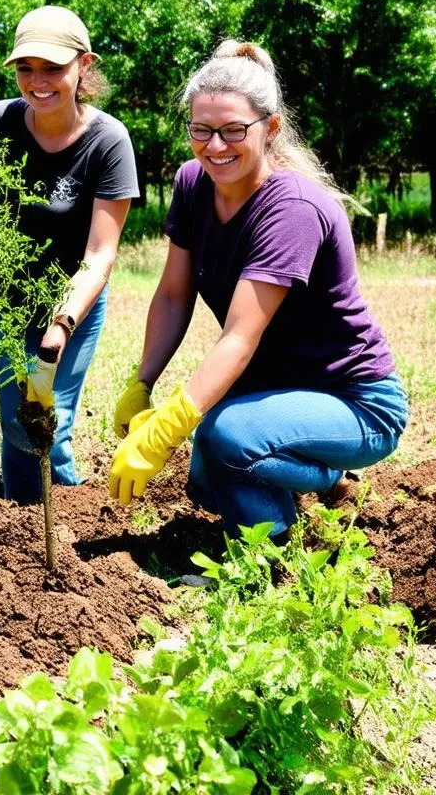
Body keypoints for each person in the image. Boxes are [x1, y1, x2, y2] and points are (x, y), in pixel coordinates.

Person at [109, 41, 408, 540]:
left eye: (232, 131)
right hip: (276, 390)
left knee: (226, 439)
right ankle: (289, 473)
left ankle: (272, 549)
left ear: (269, 129)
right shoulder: (192, 183)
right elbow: (172, 295)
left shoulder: (291, 208)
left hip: (355, 402)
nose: (215, 146)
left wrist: (169, 426)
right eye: (201, 131)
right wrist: (143, 383)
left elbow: (239, 338)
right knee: (207, 483)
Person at [0, 6, 138, 504]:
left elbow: (101, 253)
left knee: (50, 423)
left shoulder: (108, 141)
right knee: (19, 425)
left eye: (52, 68)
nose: (37, 82)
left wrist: (59, 325)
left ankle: (65, 521)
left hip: (75, 303)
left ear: (83, 66)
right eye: (25, 68)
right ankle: (25, 530)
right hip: (11, 299)